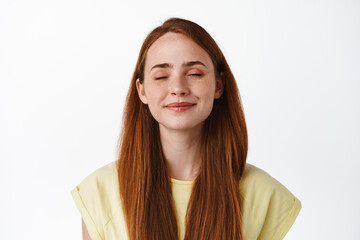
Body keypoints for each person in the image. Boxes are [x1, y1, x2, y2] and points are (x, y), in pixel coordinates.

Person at [71, 18, 301, 240]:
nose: (178, 88)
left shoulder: (264, 195)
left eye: (195, 74)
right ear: (142, 91)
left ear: (218, 85)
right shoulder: (100, 192)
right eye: (161, 76)